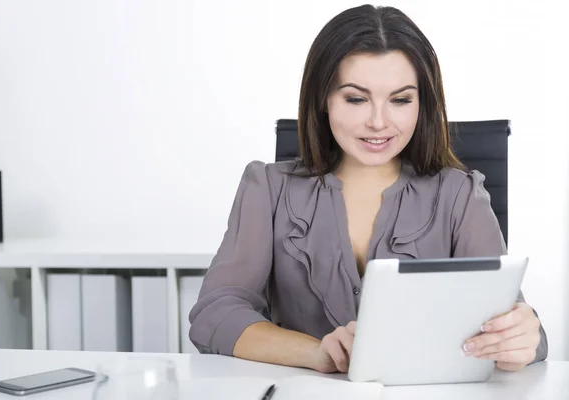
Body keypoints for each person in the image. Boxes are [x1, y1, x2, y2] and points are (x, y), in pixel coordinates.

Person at [189, 4, 548, 374]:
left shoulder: (460, 195)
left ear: (422, 105)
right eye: (356, 98)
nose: (378, 122)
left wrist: (521, 336)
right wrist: (317, 353)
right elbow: (214, 315)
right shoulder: (267, 188)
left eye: (401, 100)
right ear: (323, 100)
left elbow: (518, 327)